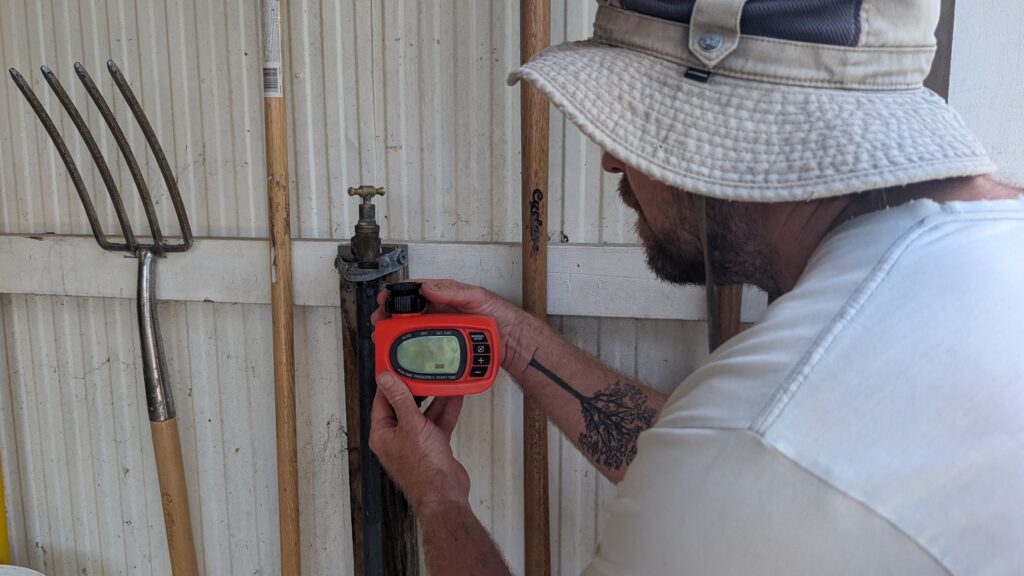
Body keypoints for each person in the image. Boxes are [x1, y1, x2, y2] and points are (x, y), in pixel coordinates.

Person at [369, 0, 1024, 574]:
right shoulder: (992, 244)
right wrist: (513, 340)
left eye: (638, 127)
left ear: (743, 133)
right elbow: (721, 457)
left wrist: (437, 496)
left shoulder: (759, 439)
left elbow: (745, 458)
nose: (611, 157)